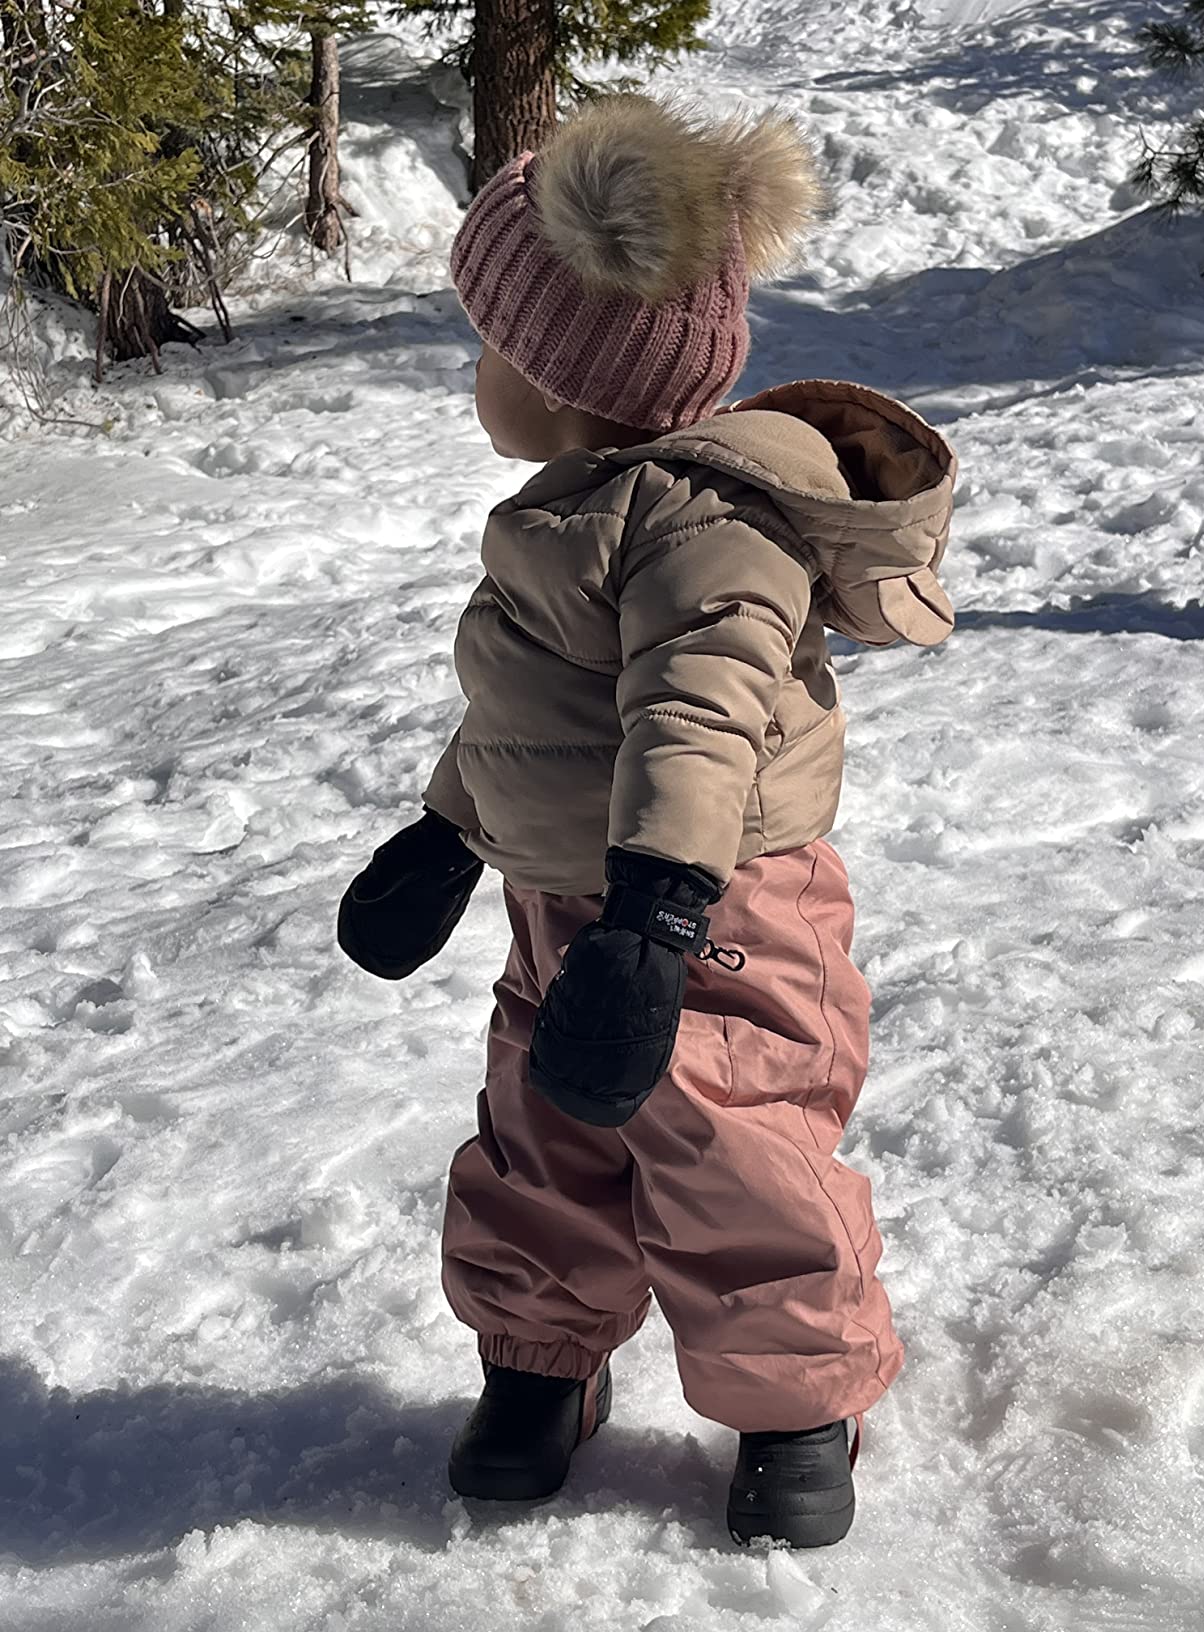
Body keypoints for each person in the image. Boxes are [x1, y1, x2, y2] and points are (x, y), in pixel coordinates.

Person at [338, 92, 956, 1548]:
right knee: (541, 1141)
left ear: (563, 378)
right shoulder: (572, 514)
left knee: (731, 1143)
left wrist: (661, 912)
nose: (480, 374)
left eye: (491, 347)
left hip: (718, 909)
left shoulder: (708, 530)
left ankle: (799, 1401)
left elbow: (701, 724)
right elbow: (529, 712)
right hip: (568, 903)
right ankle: (538, 1366)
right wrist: (445, 833)